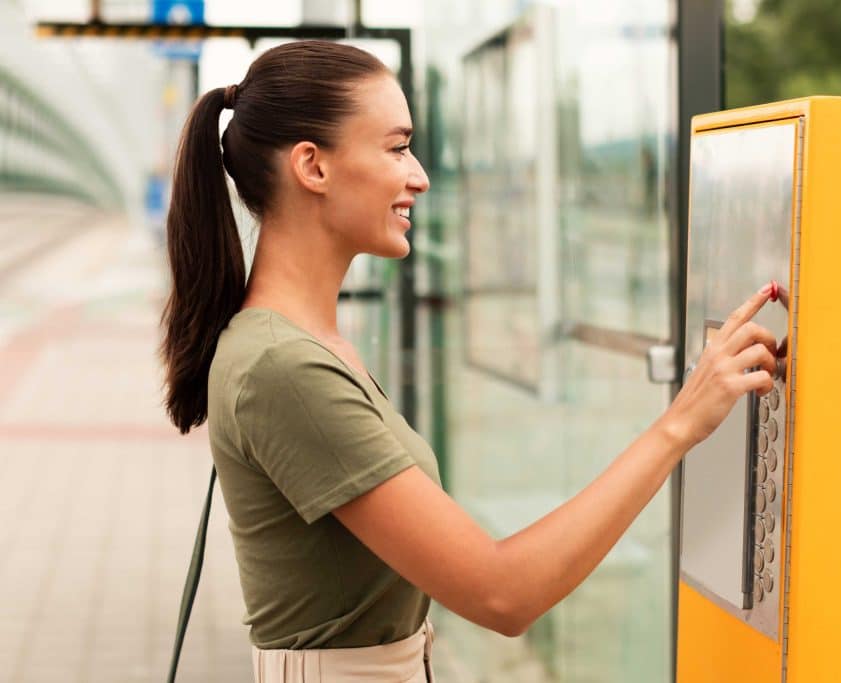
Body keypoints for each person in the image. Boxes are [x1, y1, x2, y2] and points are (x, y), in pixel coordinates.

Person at [159, 40, 779, 683]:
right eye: (397, 147)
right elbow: (502, 594)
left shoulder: (301, 345)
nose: (420, 175)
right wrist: (680, 424)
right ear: (312, 167)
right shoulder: (282, 367)